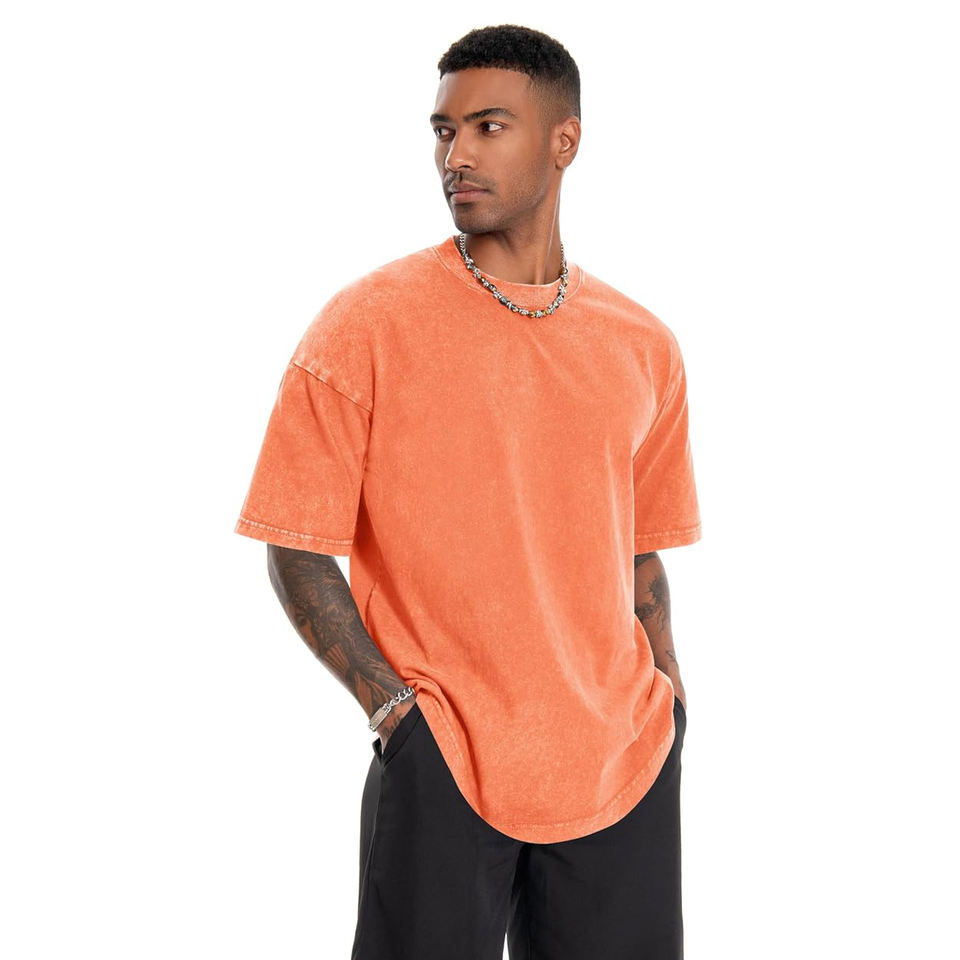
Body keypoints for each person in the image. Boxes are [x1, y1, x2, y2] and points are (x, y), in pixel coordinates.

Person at [234, 23, 702, 960]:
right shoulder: (367, 325)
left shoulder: (641, 344)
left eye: (489, 126)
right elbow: (296, 543)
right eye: (443, 131)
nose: (457, 155)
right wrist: (392, 713)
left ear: (565, 140)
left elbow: (639, 548)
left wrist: (670, 695)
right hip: (444, 758)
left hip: (621, 761)